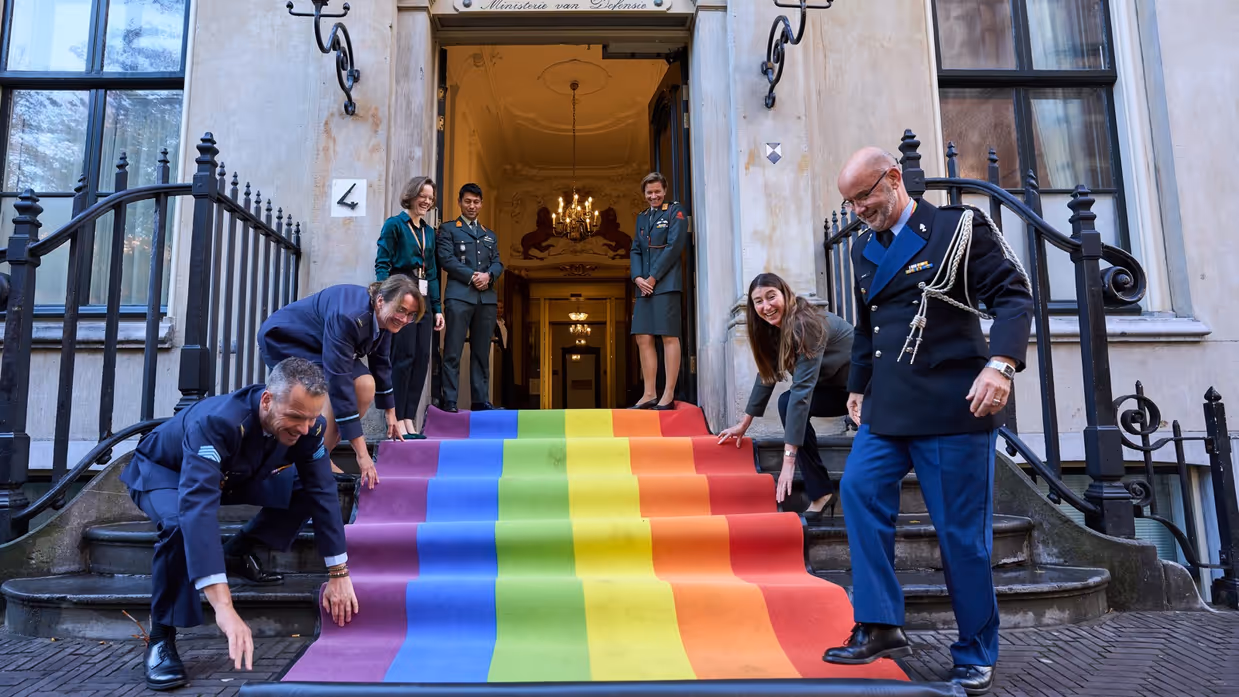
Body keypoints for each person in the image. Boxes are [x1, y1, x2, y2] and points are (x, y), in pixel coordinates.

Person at [821, 147, 1032, 696]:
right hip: (889, 407)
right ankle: (880, 624)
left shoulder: (957, 228)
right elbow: (869, 329)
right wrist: (857, 388)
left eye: (864, 197)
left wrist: (1001, 364)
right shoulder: (865, 250)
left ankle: (975, 649)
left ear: (893, 179)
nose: (857, 211)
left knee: (961, 535)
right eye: (849, 203)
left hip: (950, 405)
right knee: (860, 492)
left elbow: (1013, 297)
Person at [120, 358, 361, 691]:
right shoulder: (216, 422)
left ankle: (238, 550)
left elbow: (322, 492)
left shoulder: (308, 426)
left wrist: (339, 574)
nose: (305, 428)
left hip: (236, 474)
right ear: (267, 400)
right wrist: (224, 607)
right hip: (165, 472)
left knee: (309, 486)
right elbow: (197, 509)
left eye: (312, 418)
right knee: (177, 524)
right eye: (295, 417)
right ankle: (161, 639)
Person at [258, 276, 424, 488]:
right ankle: (315, 463)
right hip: (287, 339)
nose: (404, 319)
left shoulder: (383, 318)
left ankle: (318, 456)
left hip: (320, 344)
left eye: (410, 315)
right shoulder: (349, 316)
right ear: (381, 300)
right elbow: (340, 384)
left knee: (365, 385)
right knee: (328, 392)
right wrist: (362, 454)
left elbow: (381, 361)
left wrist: (391, 413)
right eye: (401, 310)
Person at [716, 273, 854, 521]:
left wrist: (788, 460)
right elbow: (767, 375)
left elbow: (802, 392)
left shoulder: (805, 324)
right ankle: (821, 492)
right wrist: (744, 424)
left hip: (861, 391)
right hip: (834, 390)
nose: (766, 307)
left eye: (771, 297)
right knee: (785, 401)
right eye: (758, 301)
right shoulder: (773, 329)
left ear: (785, 294)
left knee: (792, 400)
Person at [376, 176, 445, 439]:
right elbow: (382, 262)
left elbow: (433, 273)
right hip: (402, 290)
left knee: (419, 359)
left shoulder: (429, 232)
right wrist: (385, 298)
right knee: (401, 358)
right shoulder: (394, 225)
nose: (427, 201)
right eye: (422, 196)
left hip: (423, 294)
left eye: (430, 197)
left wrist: (437, 308)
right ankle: (395, 421)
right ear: (412, 195)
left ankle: (408, 418)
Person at [436, 182, 504, 413]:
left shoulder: (489, 235)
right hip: (459, 297)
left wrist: (489, 276)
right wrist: (473, 276)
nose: (472, 206)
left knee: (481, 352)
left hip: (486, 300)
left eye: (476, 202)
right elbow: (446, 259)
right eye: (468, 201)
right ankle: (450, 400)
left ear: (481, 204)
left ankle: (480, 400)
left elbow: (498, 262)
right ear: (459, 202)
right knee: (453, 350)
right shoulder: (448, 229)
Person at [628, 172, 688, 410]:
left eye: (657, 191)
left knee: (668, 336)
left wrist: (652, 278)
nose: (653, 196)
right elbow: (635, 249)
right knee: (643, 336)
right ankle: (649, 393)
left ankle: (668, 394)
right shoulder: (642, 218)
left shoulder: (675, 211)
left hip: (666, 283)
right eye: (649, 192)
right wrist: (637, 278)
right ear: (644, 194)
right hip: (644, 286)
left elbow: (675, 247)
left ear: (665, 190)